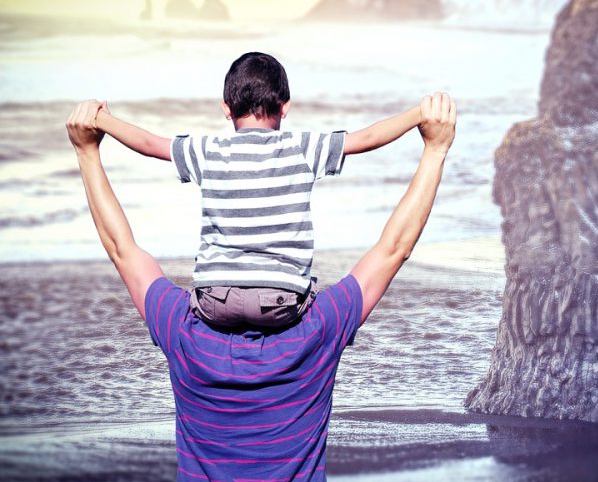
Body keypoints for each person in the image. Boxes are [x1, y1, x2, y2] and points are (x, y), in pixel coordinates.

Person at [65, 92, 456, 482]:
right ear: (284, 106)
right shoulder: (318, 332)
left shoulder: (184, 333)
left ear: (226, 107)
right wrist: (434, 150)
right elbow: (394, 249)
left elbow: (123, 251)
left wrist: (87, 153)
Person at [93, 52, 424, 329]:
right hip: (281, 302)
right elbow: (366, 139)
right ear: (285, 105)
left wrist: (103, 121)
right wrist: (417, 115)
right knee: (308, 293)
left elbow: (150, 144)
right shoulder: (302, 148)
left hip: (214, 300)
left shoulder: (208, 150)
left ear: (226, 107)